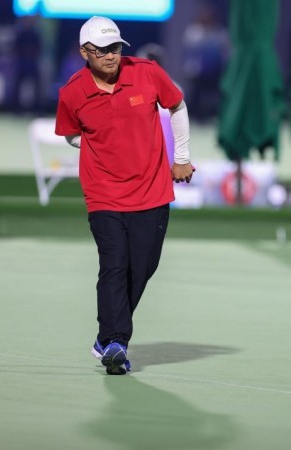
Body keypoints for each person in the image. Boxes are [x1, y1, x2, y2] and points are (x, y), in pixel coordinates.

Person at [55, 16, 194, 375]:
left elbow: (177, 106)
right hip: (103, 193)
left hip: (152, 190)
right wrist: (101, 148)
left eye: (115, 47)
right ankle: (116, 342)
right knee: (114, 264)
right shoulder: (72, 92)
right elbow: (71, 134)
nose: (111, 55)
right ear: (85, 52)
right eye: (102, 50)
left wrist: (181, 158)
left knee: (143, 267)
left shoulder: (147, 73)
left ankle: (105, 338)